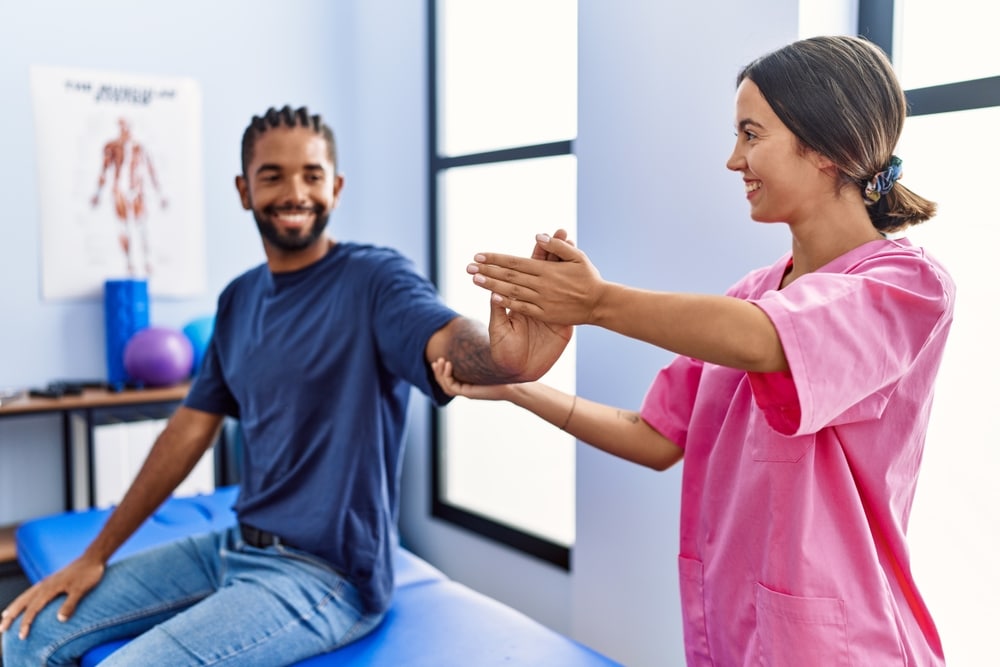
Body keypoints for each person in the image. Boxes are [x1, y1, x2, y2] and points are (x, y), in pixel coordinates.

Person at [431, 36, 954, 666]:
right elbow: (655, 436)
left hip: (845, 647)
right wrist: (512, 385)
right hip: (740, 632)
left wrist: (597, 304)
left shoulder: (905, 286)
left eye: (751, 134)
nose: (734, 160)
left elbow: (770, 341)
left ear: (825, 147)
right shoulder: (752, 295)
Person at [1, 105, 570, 665]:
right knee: (27, 636)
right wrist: (95, 555)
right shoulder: (239, 299)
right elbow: (186, 432)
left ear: (336, 188)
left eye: (312, 175)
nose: (294, 192)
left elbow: (446, 339)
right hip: (235, 545)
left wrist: (505, 358)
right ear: (244, 190)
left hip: (328, 573)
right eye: (272, 176)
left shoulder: (375, 279)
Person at [91, 117, 169, 277]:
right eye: (122, 126)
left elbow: (151, 170)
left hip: (136, 191)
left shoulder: (139, 148)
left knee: (142, 228)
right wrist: (98, 194)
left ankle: (146, 261)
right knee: (124, 228)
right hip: (119, 190)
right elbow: (104, 170)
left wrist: (160, 194)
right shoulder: (112, 147)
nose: (125, 129)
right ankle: (129, 263)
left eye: (127, 126)